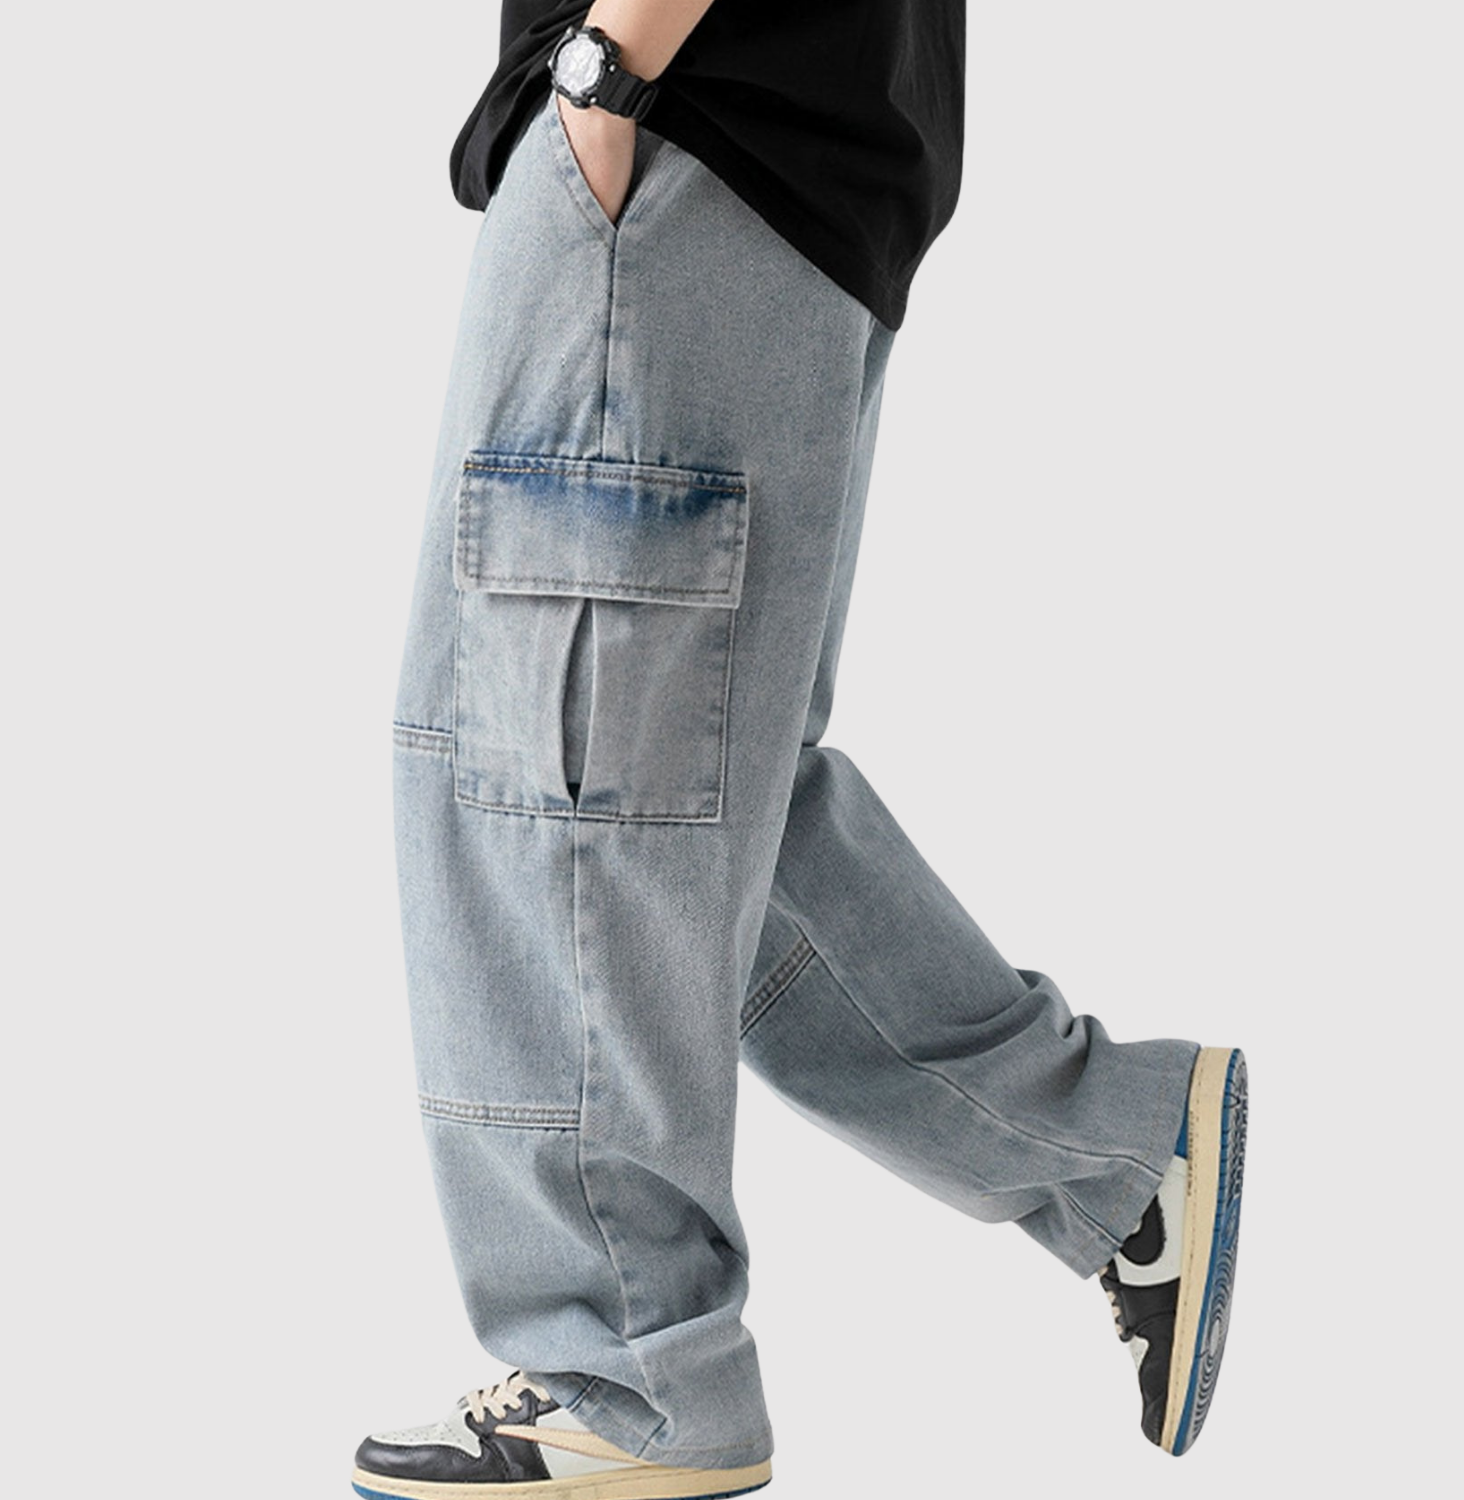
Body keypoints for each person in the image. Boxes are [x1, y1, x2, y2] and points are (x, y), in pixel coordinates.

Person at [353, 3, 1248, 1495]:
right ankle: (1113, 1146)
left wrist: (606, 74)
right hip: (761, 178)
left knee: (556, 781)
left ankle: (630, 1372)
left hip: (673, 143)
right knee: (694, 794)